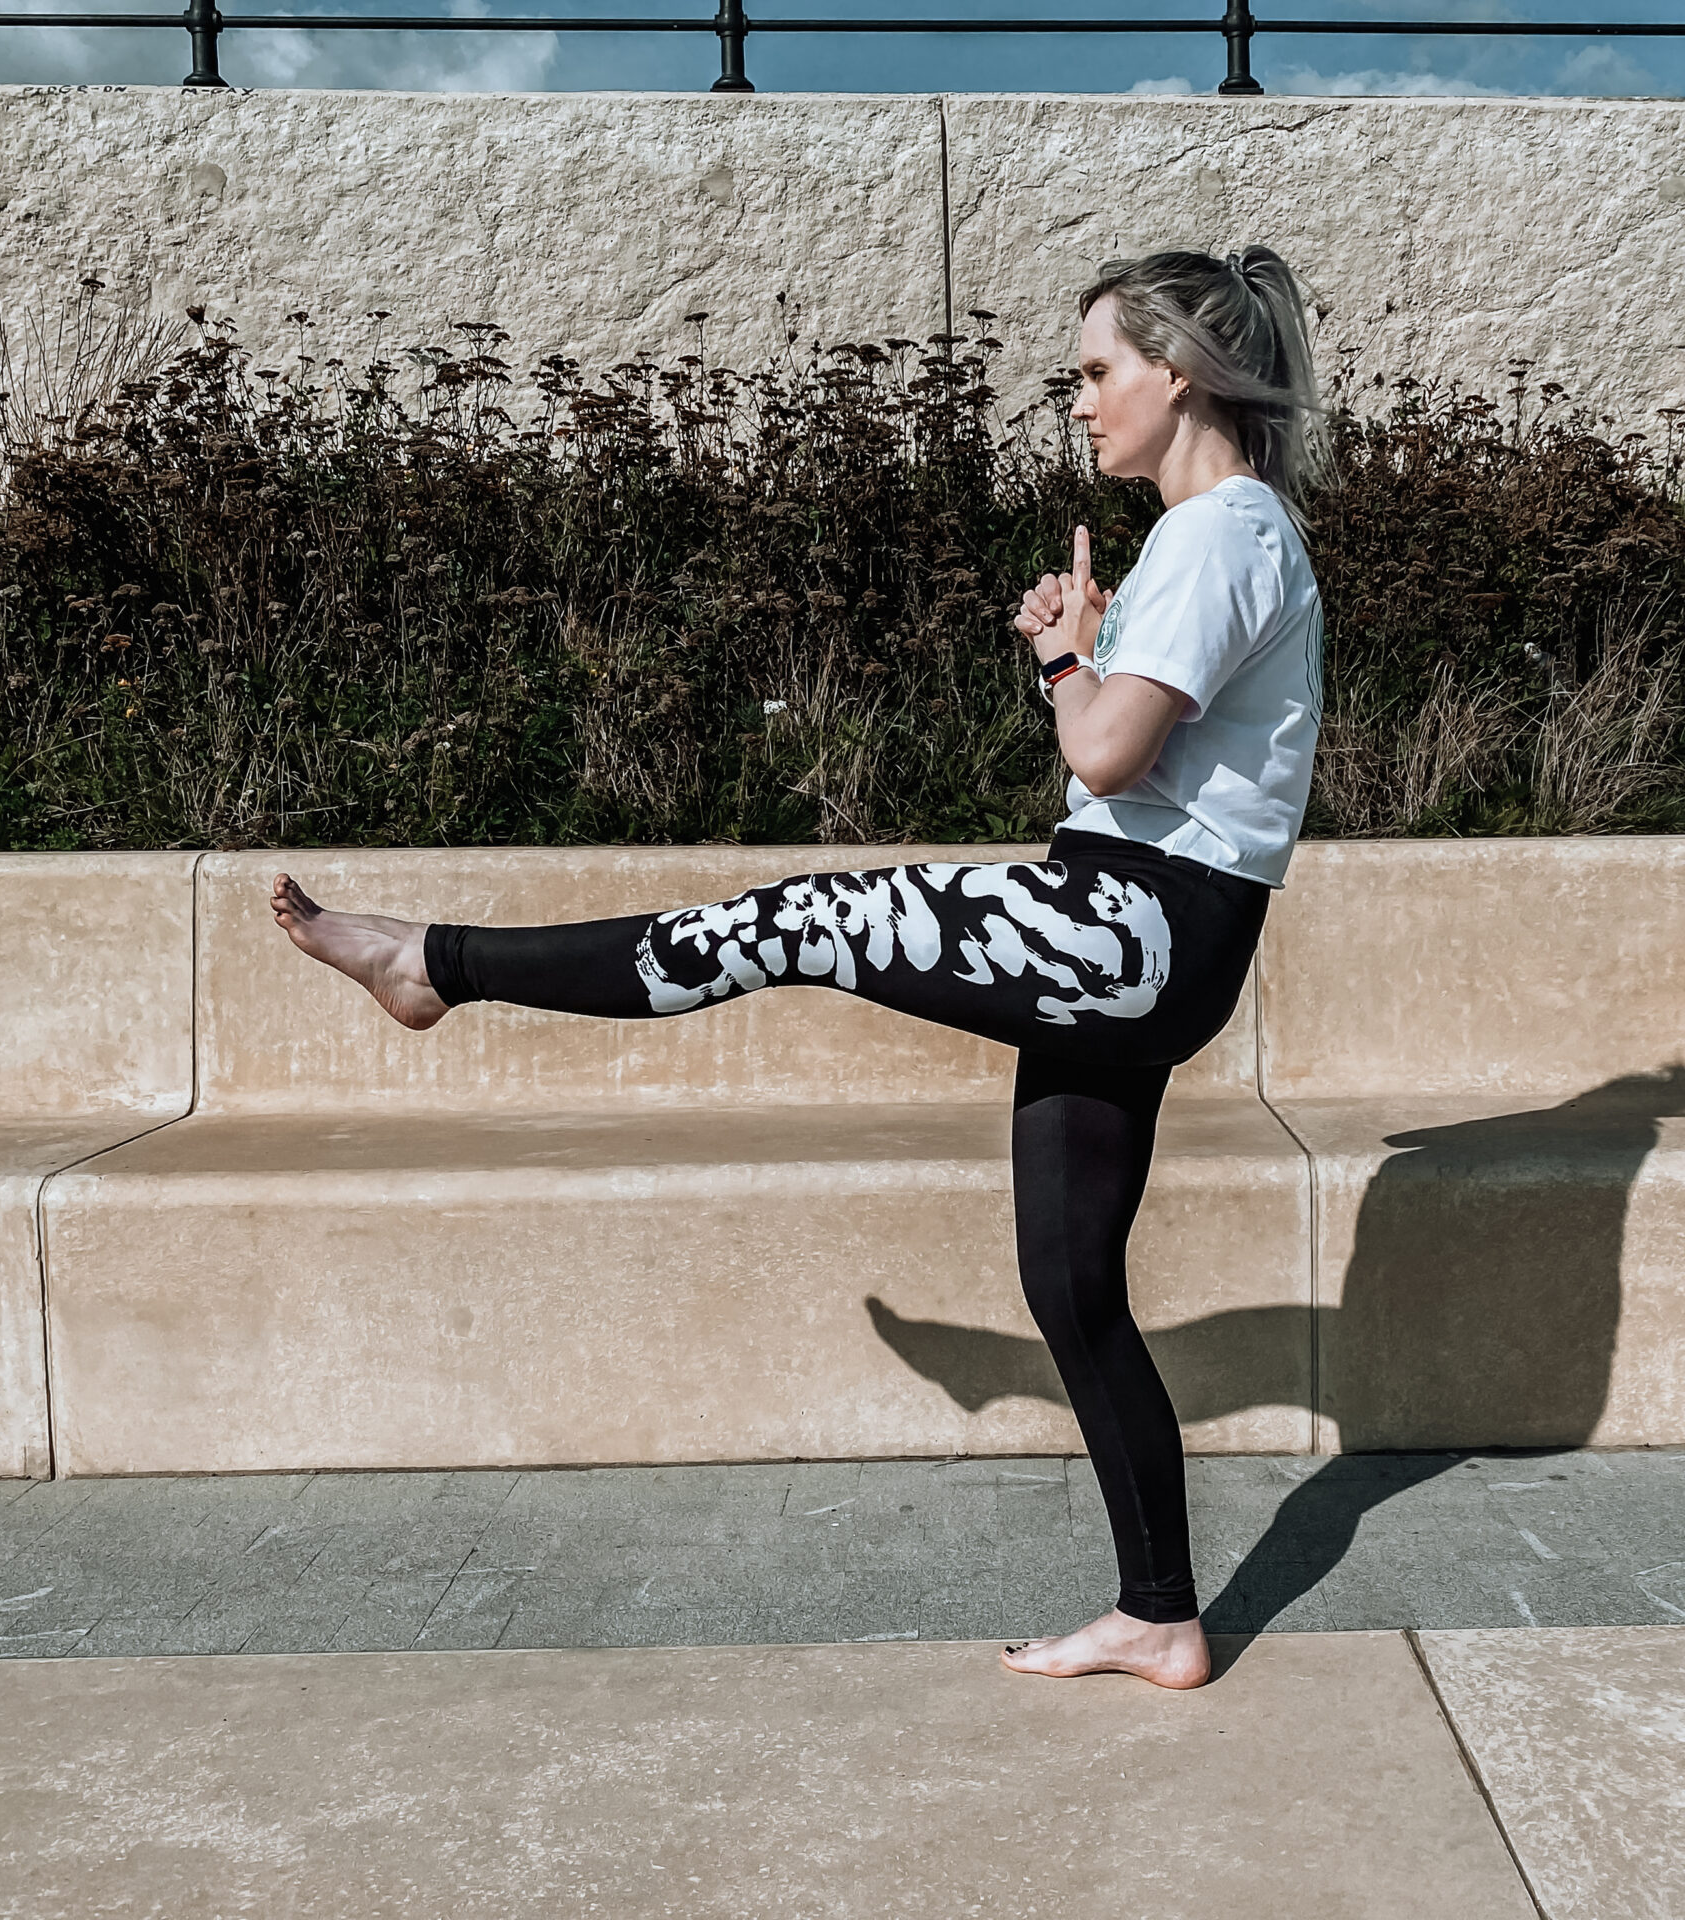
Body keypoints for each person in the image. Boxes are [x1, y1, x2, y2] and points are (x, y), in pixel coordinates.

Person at [272, 245, 1328, 1690]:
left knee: (794, 920)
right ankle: (1160, 1615)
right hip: (1141, 935)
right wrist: (1082, 648)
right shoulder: (1226, 537)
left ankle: (432, 961)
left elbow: (1103, 752)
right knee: (1071, 1281)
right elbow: (1134, 759)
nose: (1078, 406)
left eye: (1095, 373)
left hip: (1128, 926)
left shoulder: (1218, 534)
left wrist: (1065, 669)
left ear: (1180, 374)